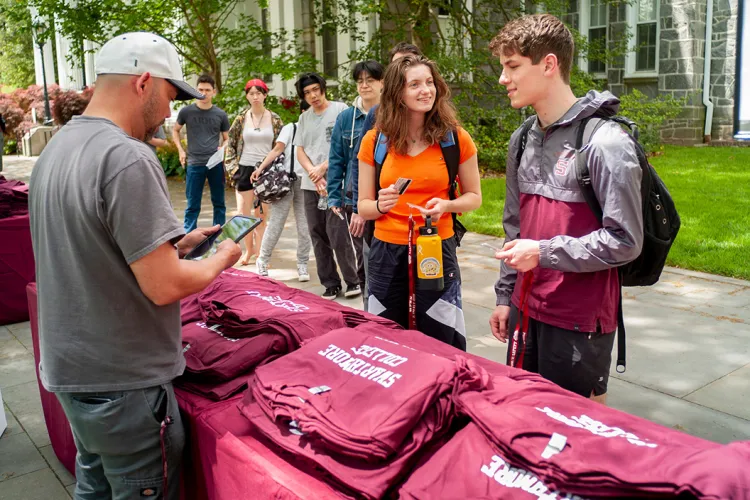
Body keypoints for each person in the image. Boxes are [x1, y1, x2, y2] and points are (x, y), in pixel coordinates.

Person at [28, 32, 241, 499]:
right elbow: (165, 287)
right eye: (169, 97)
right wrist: (223, 257)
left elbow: (93, 250)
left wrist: (173, 247)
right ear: (143, 82)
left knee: (95, 487)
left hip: (72, 371)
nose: (169, 112)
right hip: (125, 384)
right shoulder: (127, 156)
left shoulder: (56, 149)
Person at [488, 14, 644, 404]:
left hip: (579, 319)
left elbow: (625, 241)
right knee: (523, 414)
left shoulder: (606, 143)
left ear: (549, 64)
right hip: (525, 309)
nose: (503, 79)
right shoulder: (522, 138)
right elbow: (514, 226)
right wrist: (505, 297)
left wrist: (542, 252)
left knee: (575, 425)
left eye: (512, 66)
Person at [357, 55, 481, 350]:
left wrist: (447, 206)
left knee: (442, 337)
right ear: (397, 93)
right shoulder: (375, 141)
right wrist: (380, 205)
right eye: (414, 84)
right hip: (386, 252)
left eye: (429, 83)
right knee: (385, 340)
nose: (426, 90)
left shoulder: (455, 139)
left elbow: (474, 197)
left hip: (436, 247)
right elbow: (363, 206)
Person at [347, 43, 422, 309]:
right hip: (382, 218)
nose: (405, 70)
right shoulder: (377, 114)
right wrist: (359, 207)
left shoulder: (433, 114)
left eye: (411, 62)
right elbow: (359, 163)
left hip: (425, 225)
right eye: (399, 64)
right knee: (379, 290)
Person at [294, 72, 361, 300]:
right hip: (310, 185)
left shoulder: (341, 110)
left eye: (315, 89)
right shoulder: (304, 118)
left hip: (336, 183)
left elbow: (346, 148)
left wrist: (323, 168)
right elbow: (300, 150)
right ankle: (330, 283)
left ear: (323, 88)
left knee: (338, 233)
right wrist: (313, 174)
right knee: (317, 234)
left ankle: (352, 280)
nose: (313, 95)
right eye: (307, 92)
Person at [327, 60, 385, 303]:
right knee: (363, 259)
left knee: (383, 259)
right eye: (360, 81)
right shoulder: (345, 118)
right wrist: (334, 196)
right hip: (356, 199)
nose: (364, 85)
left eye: (370, 80)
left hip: (386, 198)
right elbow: (337, 159)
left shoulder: (392, 114)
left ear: (382, 83)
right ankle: (369, 306)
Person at [248, 100, 312, 280]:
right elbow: (277, 150)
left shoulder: (318, 131)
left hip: (306, 182)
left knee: (305, 226)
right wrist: (260, 169)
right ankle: (262, 260)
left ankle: (302, 264)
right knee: (276, 223)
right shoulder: (291, 128)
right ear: (302, 112)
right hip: (285, 181)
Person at [225, 78, 284, 265]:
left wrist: (275, 170)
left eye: (259, 93)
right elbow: (230, 144)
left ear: (265, 95)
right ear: (247, 96)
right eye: (251, 93)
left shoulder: (275, 119)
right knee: (243, 214)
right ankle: (248, 250)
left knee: (261, 215)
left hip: (265, 171)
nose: (255, 97)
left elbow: (281, 146)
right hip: (244, 169)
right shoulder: (241, 119)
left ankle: (260, 253)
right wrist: (233, 169)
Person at [172, 74, 231, 233]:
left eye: (207, 90)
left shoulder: (220, 114)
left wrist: (223, 147)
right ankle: (189, 236)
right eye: (200, 90)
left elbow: (227, 138)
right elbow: (175, 130)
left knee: (219, 203)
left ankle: (218, 234)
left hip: (215, 163)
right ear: (196, 91)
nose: (204, 93)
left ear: (214, 92)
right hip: (194, 163)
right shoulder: (186, 112)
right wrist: (180, 150)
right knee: (192, 204)